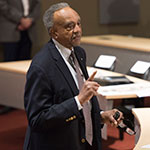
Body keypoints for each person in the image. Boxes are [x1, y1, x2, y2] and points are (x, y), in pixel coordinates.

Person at [23, 2, 123, 150]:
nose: (77, 30)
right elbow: (37, 120)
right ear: (53, 33)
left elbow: (80, 103)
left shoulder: (79, 53)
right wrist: (79, 100)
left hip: (82, 140)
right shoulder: (41, 66)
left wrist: (101, 116)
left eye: (78, 24)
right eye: (69, 27)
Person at [0, 0, 41, 114]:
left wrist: (29, 20)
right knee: (9, 65)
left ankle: (24, 98)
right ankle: (8, 100)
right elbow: (3, 5)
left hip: (29, 31)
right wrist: (21, 20)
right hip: (10, 29)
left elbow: (37, 5)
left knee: (26, 66)